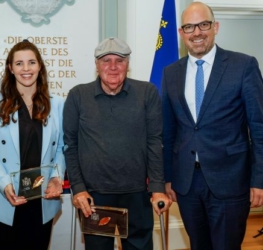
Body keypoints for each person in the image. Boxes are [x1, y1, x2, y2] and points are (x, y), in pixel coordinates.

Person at [162, 2, 263, 250]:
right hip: (186, 184)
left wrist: (259, 180)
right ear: (181, 33)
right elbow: (168, 130)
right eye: (189, 27)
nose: (197, 32)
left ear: (215, 27)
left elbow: (259, 127)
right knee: (198, 245)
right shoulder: (170, 73)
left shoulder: (243, 66)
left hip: (230, 180)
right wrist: (167, 179)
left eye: (203, 25)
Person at [63, 37, 172, 250]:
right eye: (106, 60)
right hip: (94, 197)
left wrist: (158, 187)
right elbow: (70, 145)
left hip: (137, 194)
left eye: (119, 60)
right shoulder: (78, 95)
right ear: (96, 64)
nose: (113, 67)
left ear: (128, 64)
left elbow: (155, 141)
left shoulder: (147, 93)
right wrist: (78, 188)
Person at [0, 39, 66, 250]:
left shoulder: (57, 103)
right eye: (19, 63)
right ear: (10, 68)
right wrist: (5, 183)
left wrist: (56, 176)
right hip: (5, 193)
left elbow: (62, 147)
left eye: (31, 62)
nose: (26, 69)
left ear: (40, 66)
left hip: (42, 195)